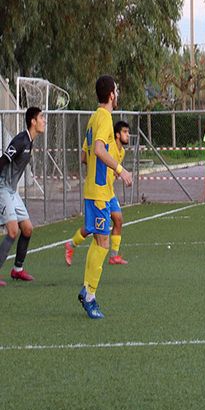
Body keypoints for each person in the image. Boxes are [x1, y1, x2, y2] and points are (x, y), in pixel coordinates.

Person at [79, 76, 133, 319]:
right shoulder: (104, 118)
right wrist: (120, 170)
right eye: (117, 90)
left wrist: (100, 166)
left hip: (93, 190)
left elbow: (85, 156)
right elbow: (99, 150)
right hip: (100, 192)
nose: (117, 94)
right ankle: (90, 296)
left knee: (98, 241)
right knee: (103, 243)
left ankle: (86, 289)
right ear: (111, 94)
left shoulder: (93, 118)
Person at [65, 121, 131, 266]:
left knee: (118, 220)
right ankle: (71, 244)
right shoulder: (106, 144)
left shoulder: (122, 151)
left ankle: (114, 256)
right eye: (125, 132)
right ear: (117, 134)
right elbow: (86, 157)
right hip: (98, 191)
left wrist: (114, 172)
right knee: (92, 228)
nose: (128, 135)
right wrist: (98, 168)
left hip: (109, 191)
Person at [0, 107, 46, 287]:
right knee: (13, 231)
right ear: (33, 121)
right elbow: (3, 160)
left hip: (12, 191)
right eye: (41, 117)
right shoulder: (20, 141)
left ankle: (17, 270)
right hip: (2, 188)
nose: (44, 121)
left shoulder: (30, 141)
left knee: (27, 229)